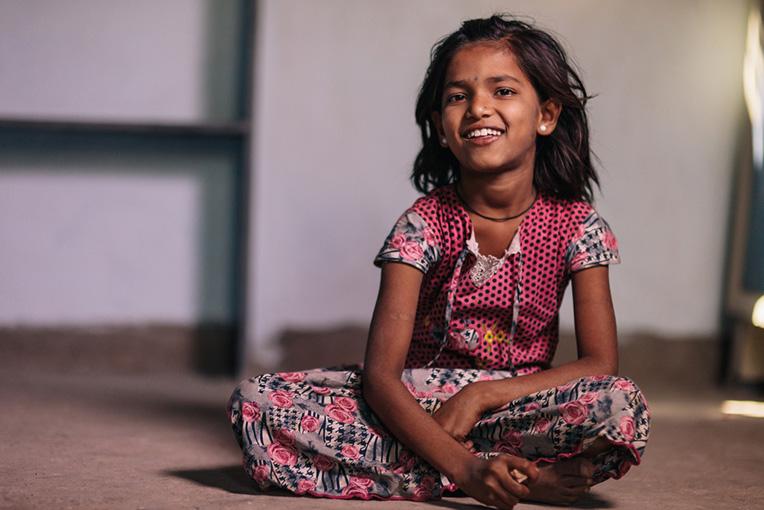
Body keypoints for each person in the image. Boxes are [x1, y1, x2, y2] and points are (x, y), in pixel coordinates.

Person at [227, 14, 650, 509]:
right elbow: (382, 378)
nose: (478, 108)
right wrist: (465, 466)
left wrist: (481, 396)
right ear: (441, 127)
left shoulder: (578, 226)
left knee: (620, 402)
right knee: (256, 402)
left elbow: (600, 363)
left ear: (546, 115)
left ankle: (440, 469)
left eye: (503, 91)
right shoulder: (422, 224)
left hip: (517, 404)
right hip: (411, 402)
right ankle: (507, 476)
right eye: (457, 96)